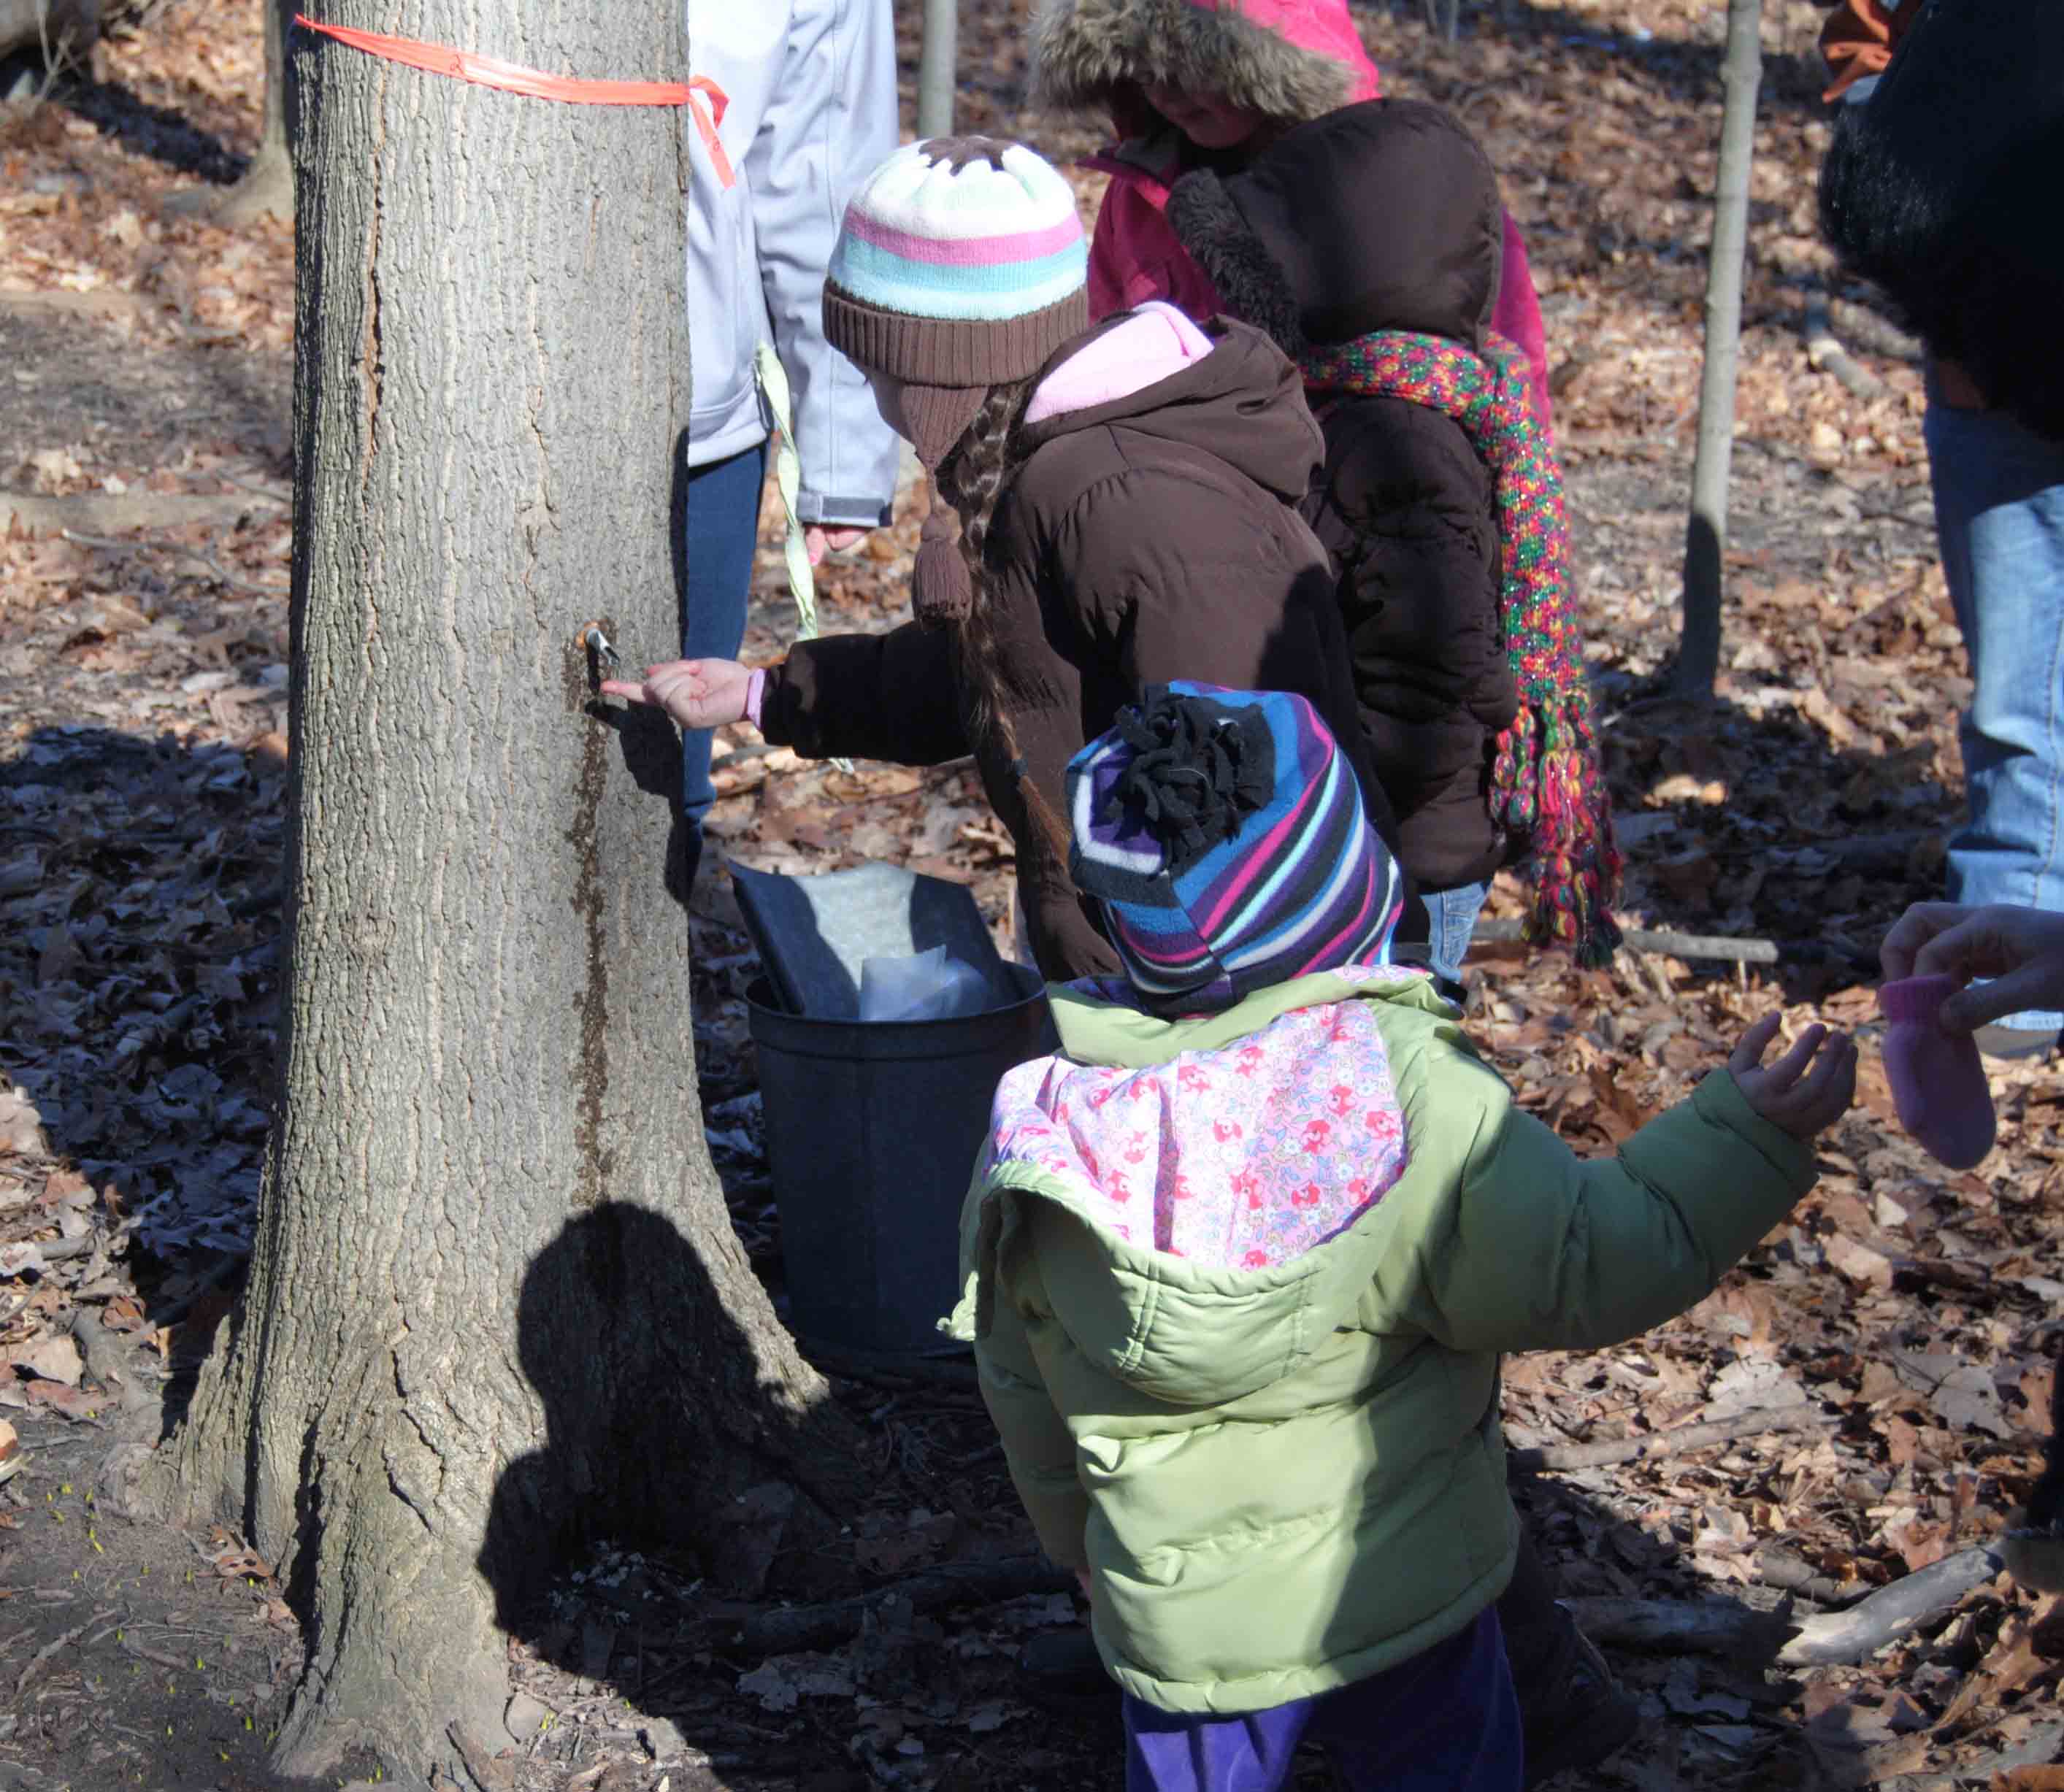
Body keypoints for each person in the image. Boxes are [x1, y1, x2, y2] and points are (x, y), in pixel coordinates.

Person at [947, 682, 1854, 1792]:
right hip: (1403, 1576)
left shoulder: (1052, 1119)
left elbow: (1016, 1367)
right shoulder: (1401, 1096)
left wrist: (1070, 1544)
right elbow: (1589, 1258)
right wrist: (1741, 1134)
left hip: (1177, 1610)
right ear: (1347, 890)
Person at [607, 134, 1411, 981]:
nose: (876, 403)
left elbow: (1245, 785)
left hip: (1228, 985)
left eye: (877, 371)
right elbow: (999, 672)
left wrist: (1178, 1006)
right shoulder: (1039, 471)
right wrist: (767, 693)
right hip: (1139, 963)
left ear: (936, 375)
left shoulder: (1120, 499)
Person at [1163, 96, 1621, 981]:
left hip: (1395, 851)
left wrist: (1327, 803)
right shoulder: (1371, 406)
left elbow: (1432, 672)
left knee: (1389, 1075)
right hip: (1374, 833)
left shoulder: (1399, 442)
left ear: (1340, 271)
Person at [1818, 0, 2064, 1057]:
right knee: (2019, 686)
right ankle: (2011, 950)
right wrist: (1880, 107)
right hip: (1992, 350)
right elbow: (1867, 44)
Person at [1029, 0, 1557, 428]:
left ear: (1264, 58)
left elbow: (1509, 361)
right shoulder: (1142, 194)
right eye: (1145, 69)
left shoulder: (1409, 179)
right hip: (1188, 503)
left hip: (1376, 496)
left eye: (1188, 63)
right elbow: (1103, 348)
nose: (1165, 92)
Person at [685, 0, 902, 886]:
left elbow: (819, 179)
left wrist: (844, 456)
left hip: (698, 423)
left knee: (658, 767)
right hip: (448, 405)